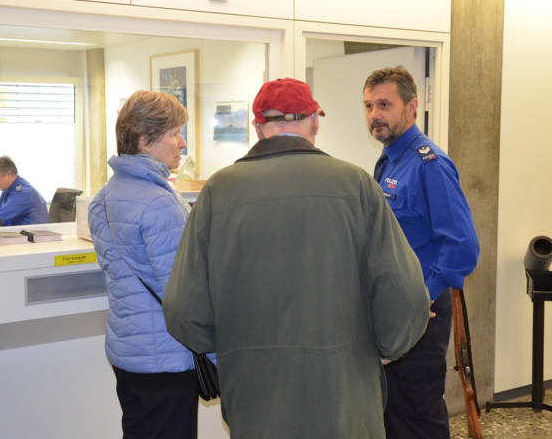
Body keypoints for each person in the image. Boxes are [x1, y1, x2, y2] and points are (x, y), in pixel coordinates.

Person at [163, 78, 430, 439]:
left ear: (259, 128)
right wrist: (388, 346)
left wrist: (231, 346)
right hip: (345, 396)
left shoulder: (217, 191)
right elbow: (406, 295)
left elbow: (182, 309)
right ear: (314, 123)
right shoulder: (356, 184)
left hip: (255, 397)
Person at [363, 65, 480, 439]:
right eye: (368, 106)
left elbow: (462, 246)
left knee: (417, 415)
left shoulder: (430, 164)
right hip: (394, 307)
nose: (374, 115)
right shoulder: (390, 158)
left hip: (421, 310)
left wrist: (420, 296)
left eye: (384, 104)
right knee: (393, 411)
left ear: (412, 106)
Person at [87, 90, 199, 439]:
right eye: (175, 133)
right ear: (144, 139)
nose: (182, 143)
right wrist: (214, 356)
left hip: (127, 353)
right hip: (166, 357)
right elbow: (183, 294)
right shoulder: (159, 203)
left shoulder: (103, 198)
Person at [0, 156, 48, 226]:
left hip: (34, 236)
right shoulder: (6, 192)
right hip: (18, 234)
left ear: (9, 174)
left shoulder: (24, 194)